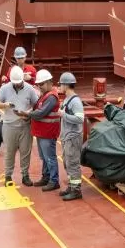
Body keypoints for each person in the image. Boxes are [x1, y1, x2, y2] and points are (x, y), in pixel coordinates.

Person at [0, 65, 38, 186]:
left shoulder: (30, 89)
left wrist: (28, 113)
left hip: (25, 125)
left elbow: (36, 104)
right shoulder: (5, 89)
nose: (17, 85)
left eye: (18, 83)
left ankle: (25, 175)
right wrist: (6, 105)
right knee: (9, 151)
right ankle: (8, 176)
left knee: (25, 151)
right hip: (9, 125)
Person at [24, 69, 60, 190]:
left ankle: (54, 181)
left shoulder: (51, 97)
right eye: (38, 85)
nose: (40, 87)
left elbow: (41, 113)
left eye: (42, 84)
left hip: (48, 133)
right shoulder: (44, 96)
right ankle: (46, 177)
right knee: (44, 157)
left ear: (49, 82)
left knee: (50, 157)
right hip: (42, 132)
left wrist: (28, 114)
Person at [58, 72, 84, 201]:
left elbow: (80, 119)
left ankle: (76, 190)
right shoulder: (67, 99)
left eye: (61, 84)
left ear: (66, 85)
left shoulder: (75, 101)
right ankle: (71, 186)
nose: (60, 86)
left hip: (73, 138)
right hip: (66, 137)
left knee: (73, 163)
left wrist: (64, 115)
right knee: (67, 163)